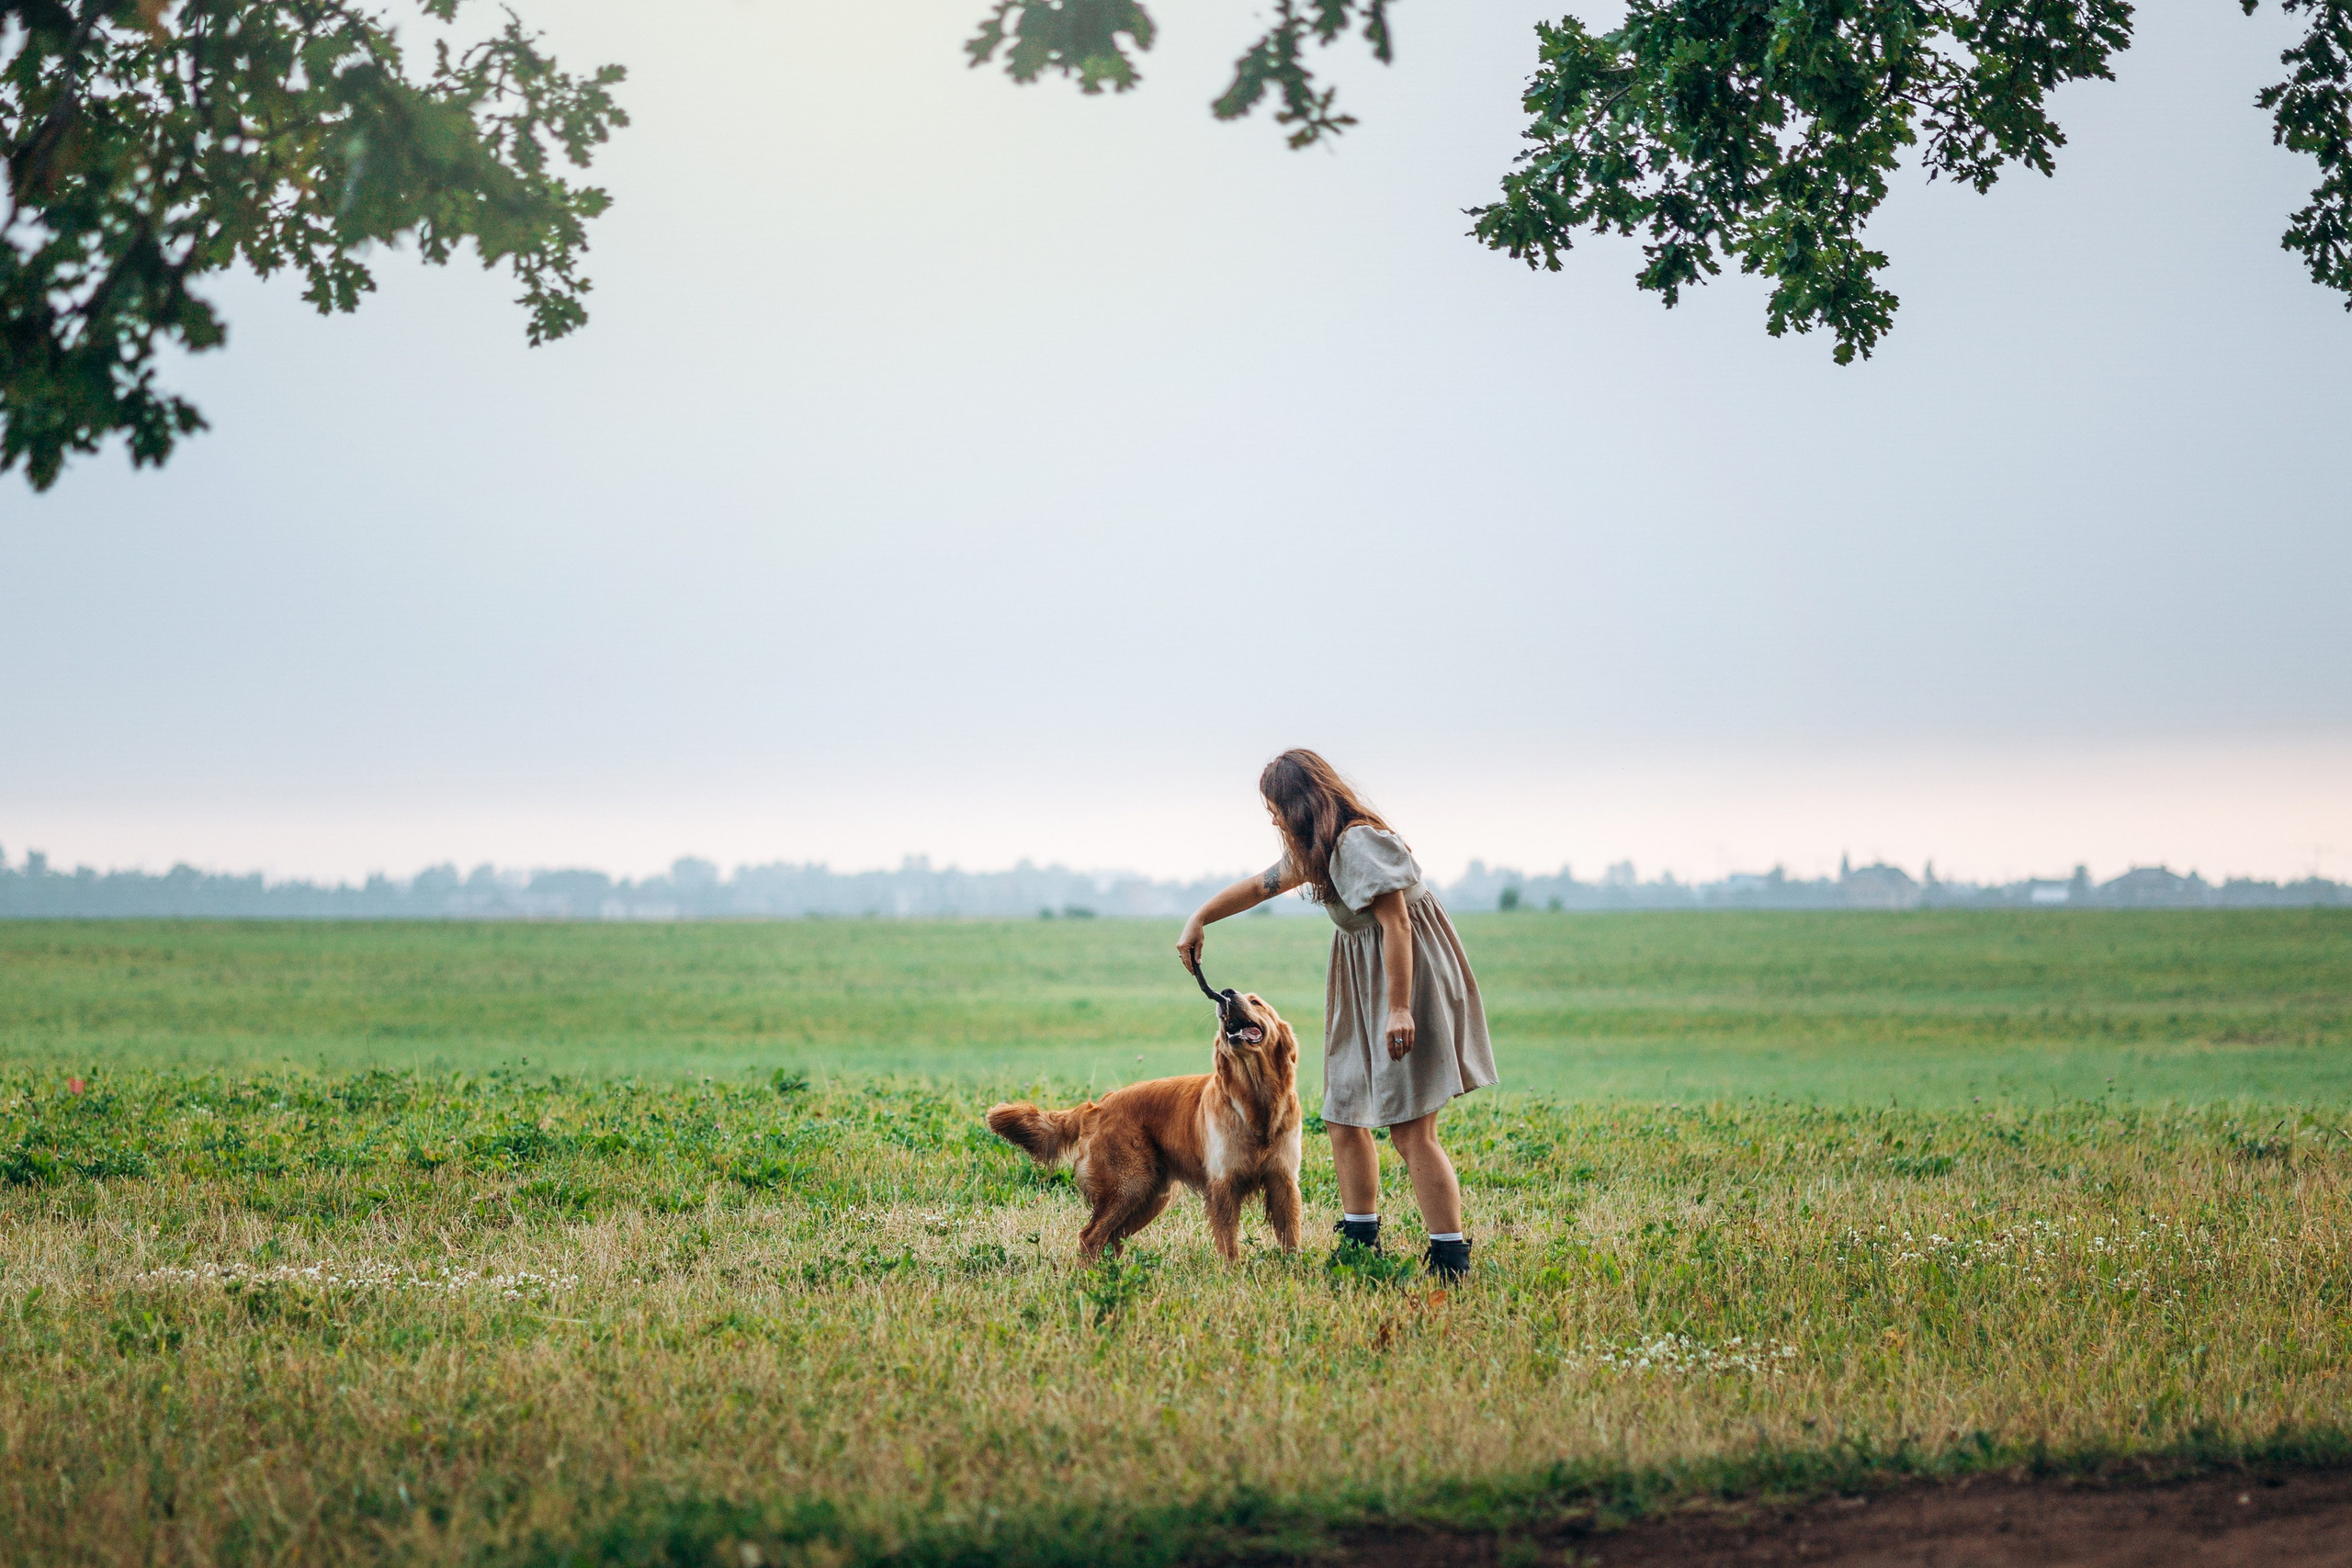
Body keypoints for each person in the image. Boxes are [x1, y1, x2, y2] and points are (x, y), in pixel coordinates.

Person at [1178, 749, 1498, 1280]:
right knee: (1344, 1113)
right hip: (1363, 979)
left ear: (1300, 802)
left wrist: (1398, 1008)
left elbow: (1397, 925)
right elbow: (1260, 886)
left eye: (1276, 806)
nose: (1273, 818)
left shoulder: (1357, 842)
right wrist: (1200, 917)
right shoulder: (1318, 850)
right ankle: (1360, 1242)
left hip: (1403, 978)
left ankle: (1450, 1258)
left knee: (1411, 1130)